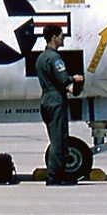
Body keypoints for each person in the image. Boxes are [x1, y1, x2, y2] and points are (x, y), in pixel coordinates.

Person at [35, 25, 84, 185]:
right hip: (56, 100)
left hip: (46, 99)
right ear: (54, 37)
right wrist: (75, 79)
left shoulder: (42, 57)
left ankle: (56, 173)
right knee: (59, 140)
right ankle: (54, 176)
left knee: (56, 138)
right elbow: (63, 79)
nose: (63, 38)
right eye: (61, 35)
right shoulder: (54, 58)